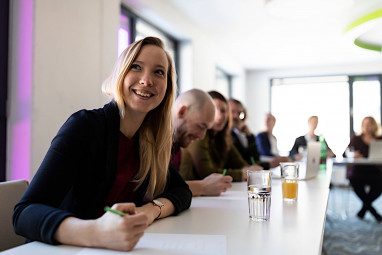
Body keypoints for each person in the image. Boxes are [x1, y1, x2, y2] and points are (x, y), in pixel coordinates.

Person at [13, 37, 192, 251]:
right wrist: (96, 232)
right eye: (136, 67)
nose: (146, 80)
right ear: (121, 74)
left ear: (168, 88)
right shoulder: (85, 126)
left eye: (158, 72)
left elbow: (181, 191)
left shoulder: (149, 141)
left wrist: (151, 210)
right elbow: (24, 214)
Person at [179, 90, 262, 182]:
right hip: (192, 193)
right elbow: (207, 173)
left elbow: (240, 163)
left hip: (210, 194)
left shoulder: (223, 137)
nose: (220, 116)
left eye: (223, 111)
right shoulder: (198, 134)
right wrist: (242, 174)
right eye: (214, 110)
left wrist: (252, 169)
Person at [172, 89, 233, 196]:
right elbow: (156, 191)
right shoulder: (153, 140)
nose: (201, 136)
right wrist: (202, 187)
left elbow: (169, 186)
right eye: (201, 126)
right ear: (182, 112)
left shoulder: (177, 147)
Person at [343, 116, 382, 222]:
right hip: (358, 172)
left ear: (374, 126)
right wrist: (352, 155)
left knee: (380, 185)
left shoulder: (380, 139)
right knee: (354, 180)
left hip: (375, 171)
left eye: (369, 124)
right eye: (365, 124)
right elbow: (345, 154)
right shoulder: (356, 139)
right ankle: (373, 211)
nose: (367, 126)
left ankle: (364, 209)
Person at [228, 98, 269, 169]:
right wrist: (269, 165)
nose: (236, 116)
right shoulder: (226, 135)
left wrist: (250, 136)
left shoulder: (242, 134)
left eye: (239, 113)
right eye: (232, 112)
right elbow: (239, 164)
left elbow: (255, 159)